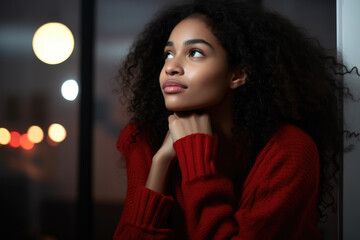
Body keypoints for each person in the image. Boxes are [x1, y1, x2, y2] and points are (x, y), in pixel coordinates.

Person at [113, 0, 345, 239]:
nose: (171, 67)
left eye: (194, 53)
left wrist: (196, 157)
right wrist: (160, 164)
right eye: (168, 54)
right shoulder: (143, 141)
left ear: (238, 74)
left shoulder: (289, 150)